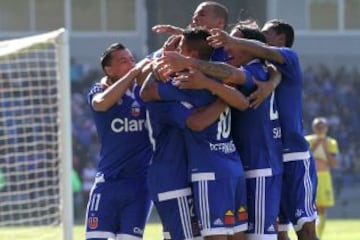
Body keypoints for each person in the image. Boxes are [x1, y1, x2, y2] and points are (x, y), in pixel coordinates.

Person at [163, 21, 283, 240]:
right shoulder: (232, 74)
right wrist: (226, 94)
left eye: (232, 41)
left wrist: (206, 82)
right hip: (236, 166)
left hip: (215, 171)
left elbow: (150, 93)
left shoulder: (234, 74)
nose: (227, 47)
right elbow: (241, 99)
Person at [207, 19, 318, 240]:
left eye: (265, 34)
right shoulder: (263, 69)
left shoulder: (287, 59)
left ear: (281, 39)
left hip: (292, 155)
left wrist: (271, 82)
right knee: (277, 231)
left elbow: (264, 53)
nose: (261, 37)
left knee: (305, 231)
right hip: (268, 158)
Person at [142, 28, 249, 240]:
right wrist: (224, 94)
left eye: (180, 49)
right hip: (230, 166)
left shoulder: (185, 82)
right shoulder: (223, 79)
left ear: (189, 56)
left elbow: (147, 93)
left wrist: (157, 69)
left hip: (208, 171)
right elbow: (243, 103)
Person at [84, 43, 152, 240]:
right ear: (109, 70)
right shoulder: (99, 89)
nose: (131, 64)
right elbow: (101, 104)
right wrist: (131, 75)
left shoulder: (144, 92)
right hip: (109, 182)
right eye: (123, 61)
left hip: (140, 185)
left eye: (132, 59)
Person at [305, 117, 339, 240]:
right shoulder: (307, 140)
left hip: (324, 177)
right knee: (310, 207)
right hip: (310, 176)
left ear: (327, 128)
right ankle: (311, 234)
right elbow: (306, 158)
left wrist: (324, 147)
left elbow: (333, 164)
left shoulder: (331, 143)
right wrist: (315, 145)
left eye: (322, 126)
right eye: (317, 126)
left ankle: (319, 235)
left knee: (322, 208)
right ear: (313, 128)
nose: (320, 129)